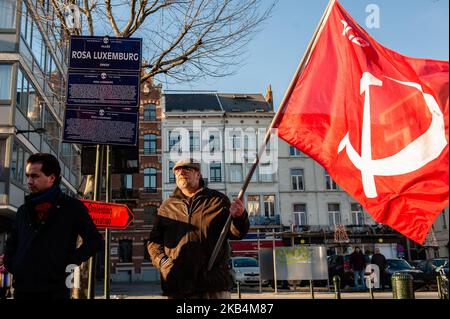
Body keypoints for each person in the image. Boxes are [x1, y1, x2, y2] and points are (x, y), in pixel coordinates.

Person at [4, 153, 103, 299]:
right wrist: (13, 264)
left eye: (35, 176)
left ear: (51, 178)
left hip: (55, 290)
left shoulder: (72, 207)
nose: (29, 181)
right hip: (22, 289)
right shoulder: (23, 210)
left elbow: (95, 241)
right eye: (28, 176)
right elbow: (12, 243)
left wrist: (67, 263)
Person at [148, 158, 249, 299]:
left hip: (213, 286)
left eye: (187, 169)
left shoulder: (218, 200)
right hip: (178, 286)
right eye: (177, 171)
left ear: (198, 174)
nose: (181, 172)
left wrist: (240, 217)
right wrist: (163, 262)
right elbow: (154, 242)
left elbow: (236, 233)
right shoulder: (167, 207)